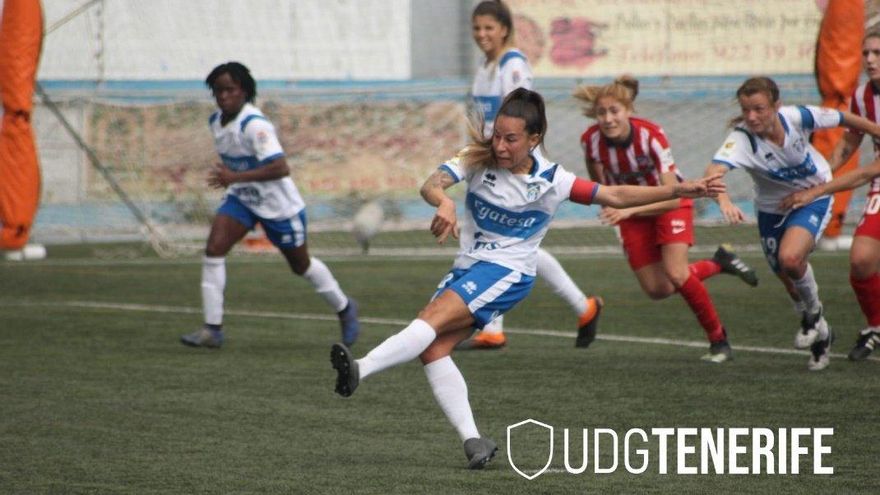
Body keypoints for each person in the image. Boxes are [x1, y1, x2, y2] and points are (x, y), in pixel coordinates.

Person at [331, 88, 726, 469]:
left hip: (508, 272)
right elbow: (430, 184)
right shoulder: (476, 157)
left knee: (430, 319)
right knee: (433, 349)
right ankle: (474, 441)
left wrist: (680, 189)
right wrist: (445, 201)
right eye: (497, 136)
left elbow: (615, 195)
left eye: (511, 139)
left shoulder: (553, 180)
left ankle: (360, 369)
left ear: (534, 139)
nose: (500, 146)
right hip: (469, 266)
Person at [573, 76, 758, 364]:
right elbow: (601, 183)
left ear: (629, 110)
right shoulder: (591, 141)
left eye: (614, 111)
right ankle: (719, 263)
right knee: (658, 289)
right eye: (601, 113)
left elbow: (672, 197)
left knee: (677, 273)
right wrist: (614, 205)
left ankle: (718, 340)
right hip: (630, 211)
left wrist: (627, 211)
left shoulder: (651, 136)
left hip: (669, 203)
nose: (608, 119)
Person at [704, 76, 880, 370]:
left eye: (759, 109)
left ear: (777, 106)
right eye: (746, 110)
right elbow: (712, 172)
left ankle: (813, 316)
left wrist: (876, 130)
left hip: (813, 195)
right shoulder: (742, 139)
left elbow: (843, 118)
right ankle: (822, 333)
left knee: (791, 258)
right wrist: (724, 201)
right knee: (789, 279)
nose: (752, 117)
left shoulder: (797, 116)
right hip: (772, 210)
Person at [180, 62, 360, 348]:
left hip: (279, 206)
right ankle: (212, 330)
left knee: (300, 265)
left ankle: (345, 307)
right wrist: (236, 180)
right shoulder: (216, 121)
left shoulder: (255, 126)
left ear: (243, 91)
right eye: (218, 91)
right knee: (214, 250)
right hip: (243, 199)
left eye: (230, 90)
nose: (223, 96)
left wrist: (234, 177)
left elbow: (280, 167)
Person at [461, 0, 602, 350]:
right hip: (493, 160)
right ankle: (582, 308)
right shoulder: (485, 66)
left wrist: (507, 154)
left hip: (514, 163)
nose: (482, 34)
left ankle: (492, 326)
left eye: (489, 27)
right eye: (477, 28)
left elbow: (521, 116)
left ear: (504, 29)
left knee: (497, 238)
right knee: (513, 242)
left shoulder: (513, 64)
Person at [780, 32, 880, 360]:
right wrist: (819, 175)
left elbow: (867, 171)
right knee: (861, 260)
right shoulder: (862, 96)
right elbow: (849, 143)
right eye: (866, 53)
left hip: (874, 174)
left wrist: (818, 190)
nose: (870, 60)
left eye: (877, 53)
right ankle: (876, 327)